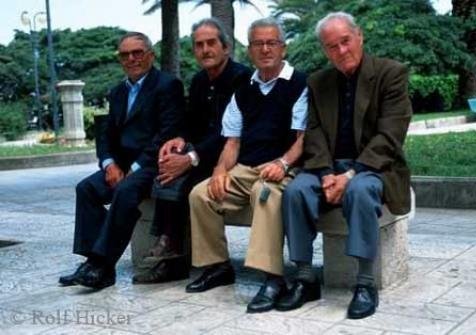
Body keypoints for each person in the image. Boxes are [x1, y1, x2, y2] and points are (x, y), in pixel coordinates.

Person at [277, 12, 412, 319]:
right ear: (325, 50)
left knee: (360, 192)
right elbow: (312, 132)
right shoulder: (318, 82)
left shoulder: (391, 73)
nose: (340, 51)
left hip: (375, 167)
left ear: (359, 36)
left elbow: (390, 135)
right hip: (328, 167)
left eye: (345, 41)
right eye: (331, 46)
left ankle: (365, 284)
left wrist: (350, 175)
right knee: (296, 190)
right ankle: (304, 277)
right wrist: (326, 175)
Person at [185, 18, 308, 314]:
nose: (265, 49)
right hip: (246, 168)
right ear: (250, 49)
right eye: (258, 44)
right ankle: (217, 266)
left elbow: (302, 139)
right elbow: (232, 143)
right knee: (201, 194)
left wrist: (282, 163)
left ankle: (272, 279)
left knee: (266, 195)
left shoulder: (300, 84)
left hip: (284, 167)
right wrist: (219, 172)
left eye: (271, 43)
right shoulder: (244, 89)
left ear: (283, 48)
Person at [58, 32, 185, 289]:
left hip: (152, 164)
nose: (132, 58)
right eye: (125, 54)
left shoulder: (167, 85)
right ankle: (93, 263)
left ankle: (101, 265)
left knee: (126, 190)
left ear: (150, 54)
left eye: (137, 52)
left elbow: (167, 133)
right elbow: (106, 135)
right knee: (87, 188)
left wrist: (134, 168)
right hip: (121, 165)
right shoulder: (117, 92)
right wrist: (109, 164)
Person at [132, 18, 252, 284]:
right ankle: (172, 254)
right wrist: (178, 141)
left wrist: (190, 158)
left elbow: (230, 134)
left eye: (211, 43)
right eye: (199, 45)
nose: (205, 50)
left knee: (189, 184)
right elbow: (191, 124)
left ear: (226, 48)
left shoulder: (241, 78)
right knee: (165, 171)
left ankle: (171, 244)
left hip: (233, 157)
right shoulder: (199, 81)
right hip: (203, 154)